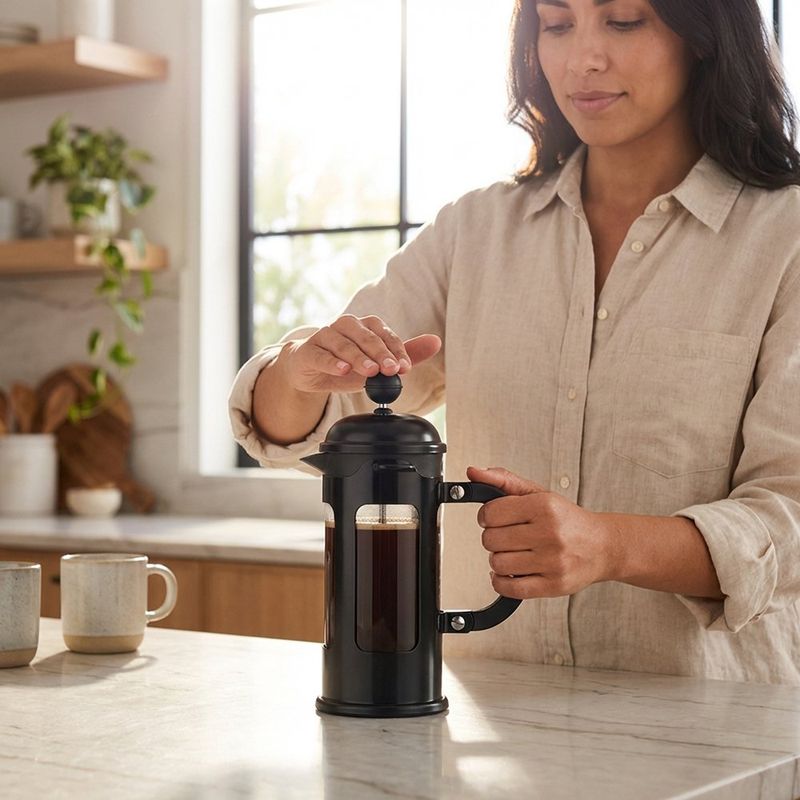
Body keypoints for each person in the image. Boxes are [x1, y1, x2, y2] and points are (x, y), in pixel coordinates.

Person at [229, 0, 800, 684]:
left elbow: (789, 515)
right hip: (486, 730)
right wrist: (298, 373)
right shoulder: (473, 232)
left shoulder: (784, 238)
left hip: (713, 739)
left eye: (623, 21)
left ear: (705, 36)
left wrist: (611, 546)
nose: (581, 57)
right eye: (556, 24)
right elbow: (321, 430)